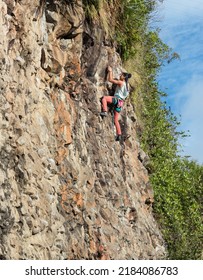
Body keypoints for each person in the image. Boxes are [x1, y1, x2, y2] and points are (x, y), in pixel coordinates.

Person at [100, 66, 131, 141]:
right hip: (120, 103)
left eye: (121, 75)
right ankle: (119, 134)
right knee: (116, 119)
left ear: (123, 77)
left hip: (117, 99)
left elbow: (110, 79)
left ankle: (104, 111)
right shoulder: (127, 87)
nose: (120, 76)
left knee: (104, 98)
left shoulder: (121, 82)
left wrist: (110, 71)